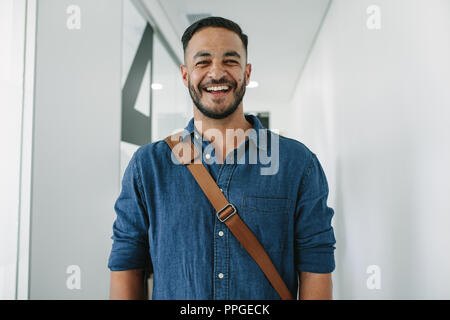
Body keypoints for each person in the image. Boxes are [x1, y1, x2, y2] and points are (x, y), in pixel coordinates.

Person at [108, 16, 336, 300]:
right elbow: (127, 263)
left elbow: (316, 263)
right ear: (184, 75)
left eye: (230, 61)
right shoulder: (147, 166)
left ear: (247, 72)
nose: (216, 73)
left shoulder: (297, 163)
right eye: (202, 62)